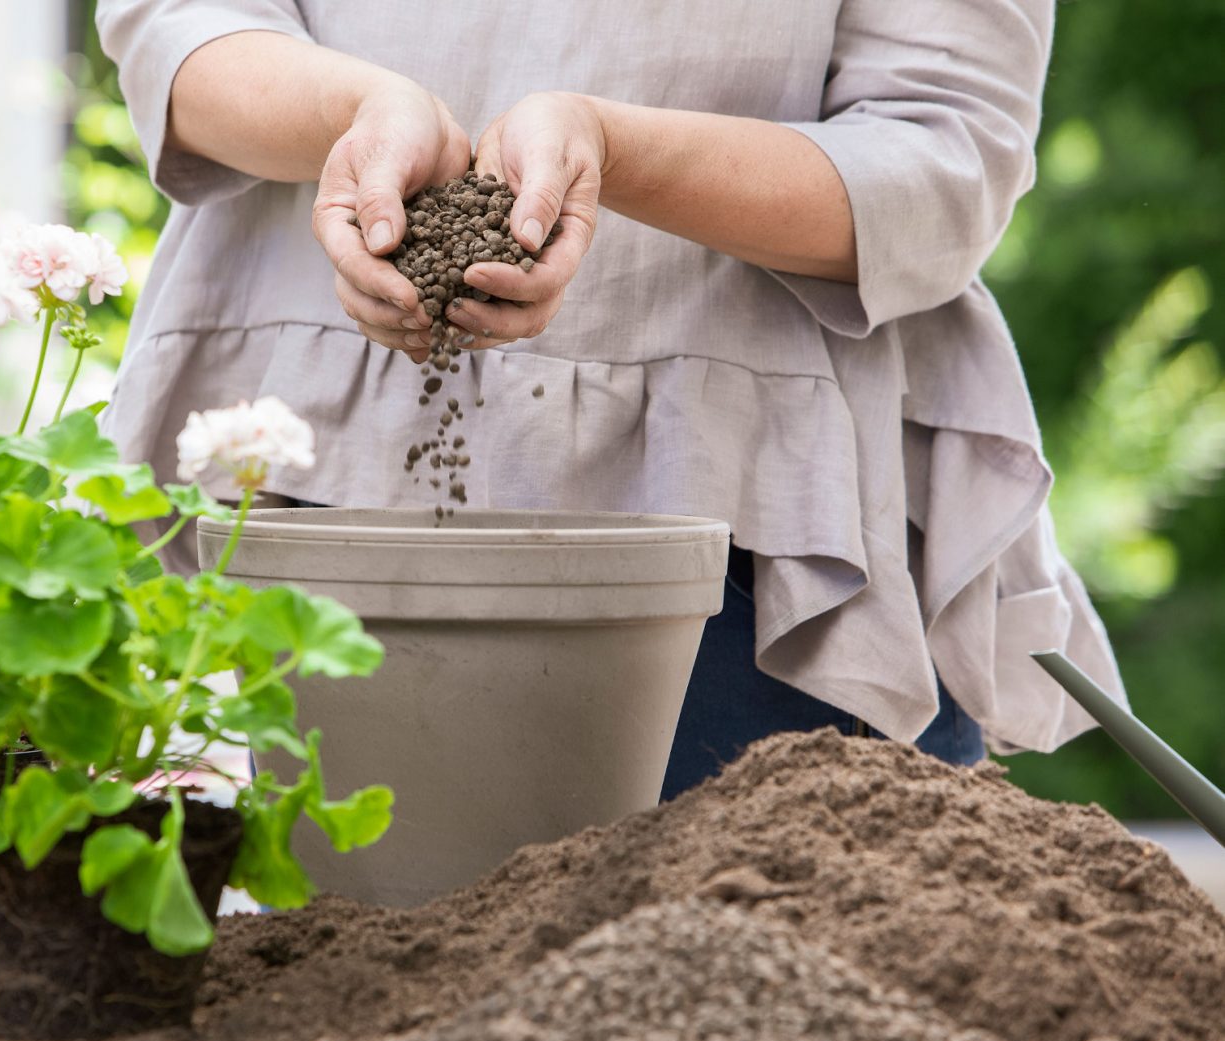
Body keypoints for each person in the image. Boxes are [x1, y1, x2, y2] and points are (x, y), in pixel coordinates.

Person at [94, 0, 1127, 797]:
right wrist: (358, 116)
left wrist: (609, 149)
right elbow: (177, 25)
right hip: (327, 495)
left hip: (757, 555)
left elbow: (948, 156)